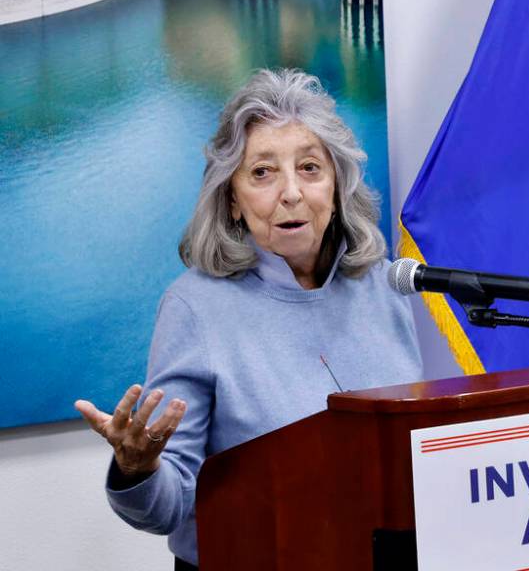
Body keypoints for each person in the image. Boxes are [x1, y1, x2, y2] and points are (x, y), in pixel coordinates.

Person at [74, 69, 423, 570]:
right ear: (232, 200)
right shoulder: (195, 308)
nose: (291, 193)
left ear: (338, 186)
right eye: (262, 173)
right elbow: (168, 508)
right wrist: (138, 467)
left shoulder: (383, 285)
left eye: (309, 168)